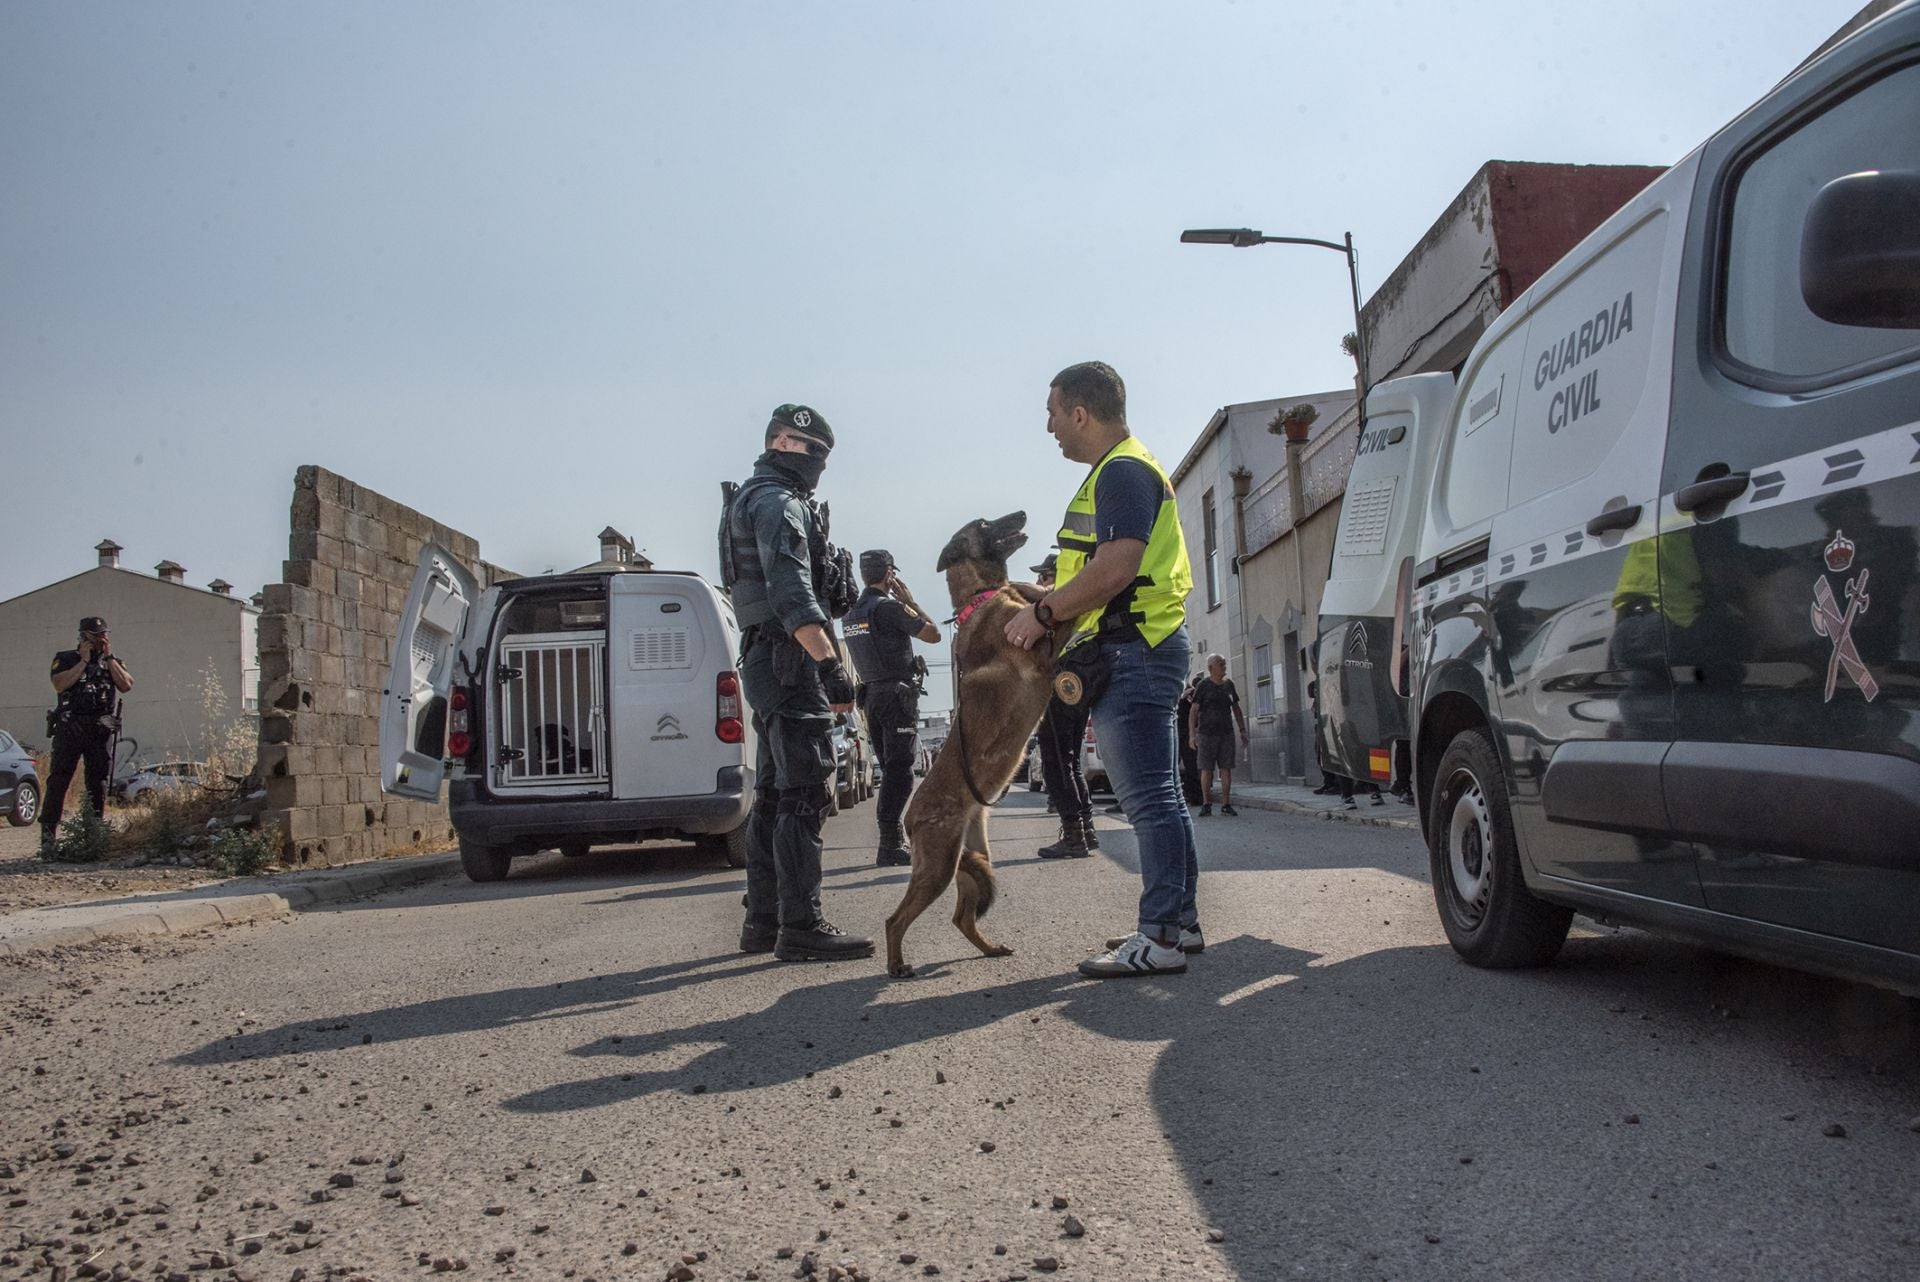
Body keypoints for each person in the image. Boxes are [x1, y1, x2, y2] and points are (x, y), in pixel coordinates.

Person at [1006, 361, 1199, 978]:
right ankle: (1179, 923)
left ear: (1081, 413)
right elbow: (1097, 570)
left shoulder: (1120, 472)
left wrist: (1042, 612)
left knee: (1148, 801)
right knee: (1163, 797)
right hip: (1142, 644)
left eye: (1053, 412)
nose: (1049, 426)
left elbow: (1117, 568)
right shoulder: (1122, 471)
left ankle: (1160, 936)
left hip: (1134, 649)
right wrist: (1037, 591)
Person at [726, 405, 873, 962]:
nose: (820, 466)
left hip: (766, 660)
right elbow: (791, 592)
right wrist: (831, 664)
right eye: (813, 452)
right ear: (782, 442)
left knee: (774, 793)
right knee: (806, 792)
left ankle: (764, 921)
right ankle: (800, 926)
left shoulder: (753, 496)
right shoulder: (777, 502)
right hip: (789, 660)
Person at [843, 548, 941, 867]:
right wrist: (910, 601)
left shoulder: (851, 613)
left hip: (870, 698)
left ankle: (893, 839)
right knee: (901, 772)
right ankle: (888, 844)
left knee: (889, 771)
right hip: (896, 697)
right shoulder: (889, 608)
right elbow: (934, 634)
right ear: (889, 574)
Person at [42, 616, 133, 851]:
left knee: (98, 782)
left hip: (99, 730)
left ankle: (94, 836)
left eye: (104, 634)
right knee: (59, 781)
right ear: (83, 636)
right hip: (70, 728)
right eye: (96, 635)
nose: (102, 639)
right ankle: (49, 838)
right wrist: (83, 661)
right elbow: (60, 684)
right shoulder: (65, 659)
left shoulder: (111, 662)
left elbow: (126, 685)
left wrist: (109, 658)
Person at [1029, 551, 1098, 859]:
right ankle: (1086, 828)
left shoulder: (1063, 597)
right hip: (1077, 674)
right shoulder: (1079, 594)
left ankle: (1074, 835)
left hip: (1062, 677)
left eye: (1044, 575)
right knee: (1068, 760)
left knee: (1056, 760)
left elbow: (1042, 597)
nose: (1039, 580)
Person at [1189, 653, 1249, 817]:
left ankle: (1226, 804)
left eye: (1224, 664)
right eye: (1221, 664)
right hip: (1206, 734)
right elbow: (1194, 710)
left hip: (1226, 733)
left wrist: (1242, 730)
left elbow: (1236, 708)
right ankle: (1206, 803)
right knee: (1206, 769)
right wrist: (1192, 735)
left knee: (1226, 769)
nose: (1224, 667)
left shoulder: (1229, 685)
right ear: (1210, 668)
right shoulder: (1203, 686)